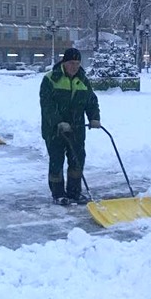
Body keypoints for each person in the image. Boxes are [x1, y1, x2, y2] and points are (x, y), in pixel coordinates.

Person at [39, 47, 101, 205]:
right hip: (54, 130)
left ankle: (74, 192)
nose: (75, 66)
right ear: (64, 63)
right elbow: (47, 105)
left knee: (77, 160)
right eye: (72, 63)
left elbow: (91, 101)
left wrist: (94, 118)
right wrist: (58, 121)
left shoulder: (83, 80)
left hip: (77, 128)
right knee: (57, 161)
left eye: (78, 63)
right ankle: (58, 193)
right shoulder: (51, 79)